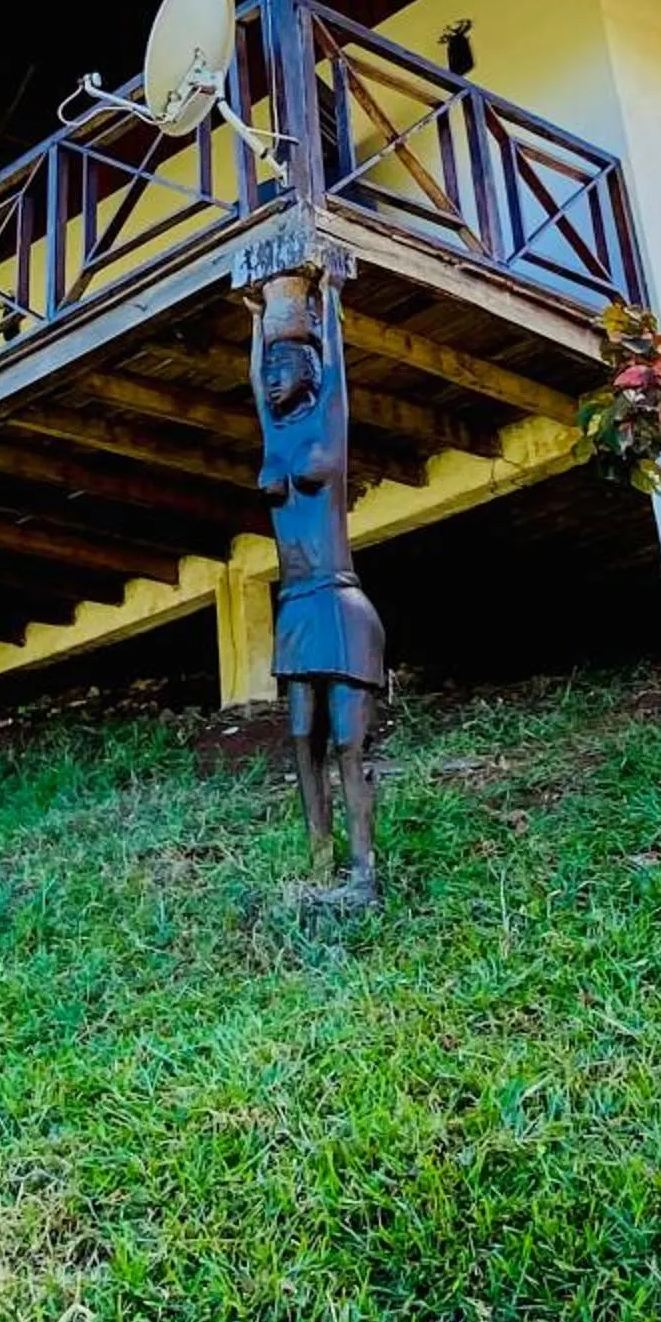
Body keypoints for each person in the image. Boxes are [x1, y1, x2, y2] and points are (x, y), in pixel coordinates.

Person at [252, 267, 384, 901]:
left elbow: (338, 374)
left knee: (347, 744)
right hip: (296, 606)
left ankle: (363, 871)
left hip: (338, 601)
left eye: (286, 363)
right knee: (301, 739)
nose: (274, 373)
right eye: (270, 364)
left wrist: (327, 299)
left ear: (311, 369)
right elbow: (254, 383)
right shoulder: (275, 434)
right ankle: (318, 866)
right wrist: (258, 322)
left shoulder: (326, 423)